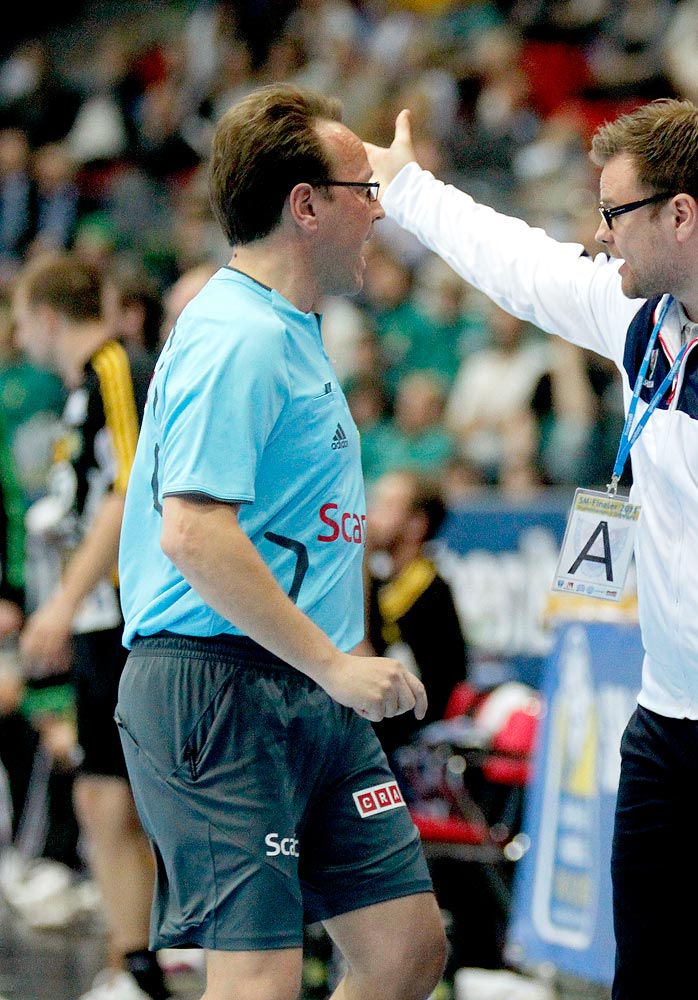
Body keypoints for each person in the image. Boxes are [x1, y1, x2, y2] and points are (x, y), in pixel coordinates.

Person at [368, 97, 698, 999]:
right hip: (668, 727)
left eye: (612, 213)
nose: (599, 235)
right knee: (650, 983)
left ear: (679, 214)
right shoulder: (645, 319)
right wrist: (407, 189)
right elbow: (518, 265)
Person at [113, 84, 446, 1000]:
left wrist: (335, 664)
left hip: (303, 684)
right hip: (218, 685)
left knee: (405, 951)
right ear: (306, 205)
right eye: (360, 188)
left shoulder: (289, 331)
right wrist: (337, 666)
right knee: (258, 980)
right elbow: (192, 533)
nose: (375, 210)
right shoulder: (239, 337)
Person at [11, 253, 165, 1000]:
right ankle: (129, 957)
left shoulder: (115, 368)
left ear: (43, 314)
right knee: (100, 793)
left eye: (19, 318)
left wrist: (63, 603)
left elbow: (132, 487)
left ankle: (148, 959)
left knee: (127, 790)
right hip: (99, 617)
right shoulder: (82, 389)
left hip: (125, 614)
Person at [364, 468, 467, 765]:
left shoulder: (429, 590)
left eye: (387, 506)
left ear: (416, 525)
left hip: (407, 735)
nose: (372, 516)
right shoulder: (385, 582)